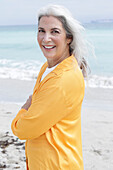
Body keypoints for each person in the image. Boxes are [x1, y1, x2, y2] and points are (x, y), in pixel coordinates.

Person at [11, 4, 91, 170]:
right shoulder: (48, 68)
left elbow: (24, 130)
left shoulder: (62, 79)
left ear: (68, 37)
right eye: (41, 31)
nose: (46, 38)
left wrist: (24, 109)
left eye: (55, 31)